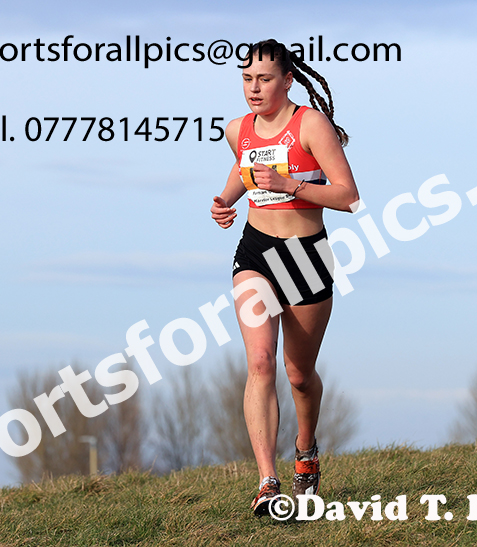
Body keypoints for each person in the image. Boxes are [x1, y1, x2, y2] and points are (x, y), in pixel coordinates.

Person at [210, 39, 359, 516]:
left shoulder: (310, 124)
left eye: (265, 79)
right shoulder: (238, 129)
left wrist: (293, 185)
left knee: (298, 375)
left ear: (287, 80)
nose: (254, 88)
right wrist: (225, 200)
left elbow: (349, 196)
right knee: (259, 363)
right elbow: (244, 167)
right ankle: (266, 481)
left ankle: (307, 450)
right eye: (247, 79)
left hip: (305, 256)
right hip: (256, 251)